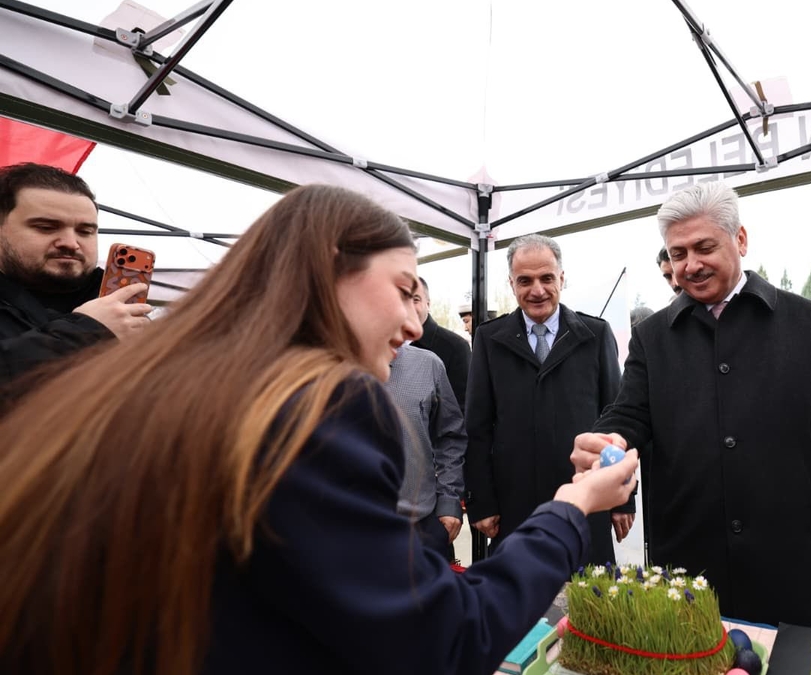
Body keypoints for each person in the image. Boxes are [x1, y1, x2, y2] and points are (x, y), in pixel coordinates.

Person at [0, 185, 640, 675]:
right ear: (330, 268)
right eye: (402, 288)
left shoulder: (161, 385)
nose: (417, 324)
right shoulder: (322, 403)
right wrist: (571, 505)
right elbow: (443, 639)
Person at [572, 182, 811, 628]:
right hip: (689, 561)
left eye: (703, 247)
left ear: (741, 239)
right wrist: (609, 437)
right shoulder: (653, 336)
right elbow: (630, 410)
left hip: (787, 557)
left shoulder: (802, 321)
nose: (690, 265)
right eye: (677, 254)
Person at [465, 234, 628, 565]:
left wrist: (624, 498)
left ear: (562, 278)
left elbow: (616, 419)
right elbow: (477, 426)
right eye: (525, 280)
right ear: (511, 284)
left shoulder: (594, 335)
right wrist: (482, 502)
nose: (536, 290)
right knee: (519, 605)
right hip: (514, 506)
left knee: (590, 606)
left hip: (587, 500)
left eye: (546, 278)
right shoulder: (488, 339)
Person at [0, 163, 152, 391]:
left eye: (85, 231)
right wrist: (87, 332)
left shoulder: (128, 317)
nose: (71, 243)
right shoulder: (96, 327)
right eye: (46, 227)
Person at [384, 344, 467, 562]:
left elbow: (450, 436)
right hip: (346, 531)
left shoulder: (428, 365)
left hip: (420, 528)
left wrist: (449, 502)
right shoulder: (320, 367)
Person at [411, 277, 471, 408]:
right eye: (402, 299)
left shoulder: (455, 347)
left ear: (428, 304)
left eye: (415, 300)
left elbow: (461, 410)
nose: (408, 306)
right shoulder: (384, 344)